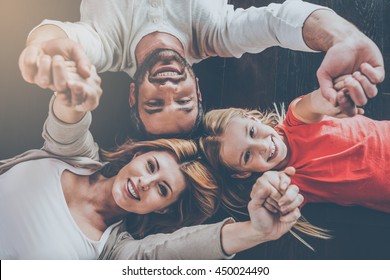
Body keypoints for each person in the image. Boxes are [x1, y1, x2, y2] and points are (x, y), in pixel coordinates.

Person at [0, 62, 304, 260]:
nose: (144, 184)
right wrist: (75, 95)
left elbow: (170, 252)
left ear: (164, 208)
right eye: (151, 167)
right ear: (137, 154)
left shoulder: (115, 253)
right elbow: (68, 121)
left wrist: (255, 231)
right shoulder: (73, 156)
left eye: (162, 190)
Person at [18, 0, 384, 138]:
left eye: (155, 105)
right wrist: (341, 37)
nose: (168, 91)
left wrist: (39, 49)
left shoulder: (105, 44)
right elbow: (276, 22)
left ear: (133, 94)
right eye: (183, 103)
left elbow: (66, 41)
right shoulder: (215, 34)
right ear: (197, 89)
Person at [199, 73, 390, 214]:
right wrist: (273, 198)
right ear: (243, 173)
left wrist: (329, 100)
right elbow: (281, 200)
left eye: (252, 132)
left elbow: (312, 103)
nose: (263, 146)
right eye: (247, 155)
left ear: (252, 118)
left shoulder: (296, 119)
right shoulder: (287, 182)